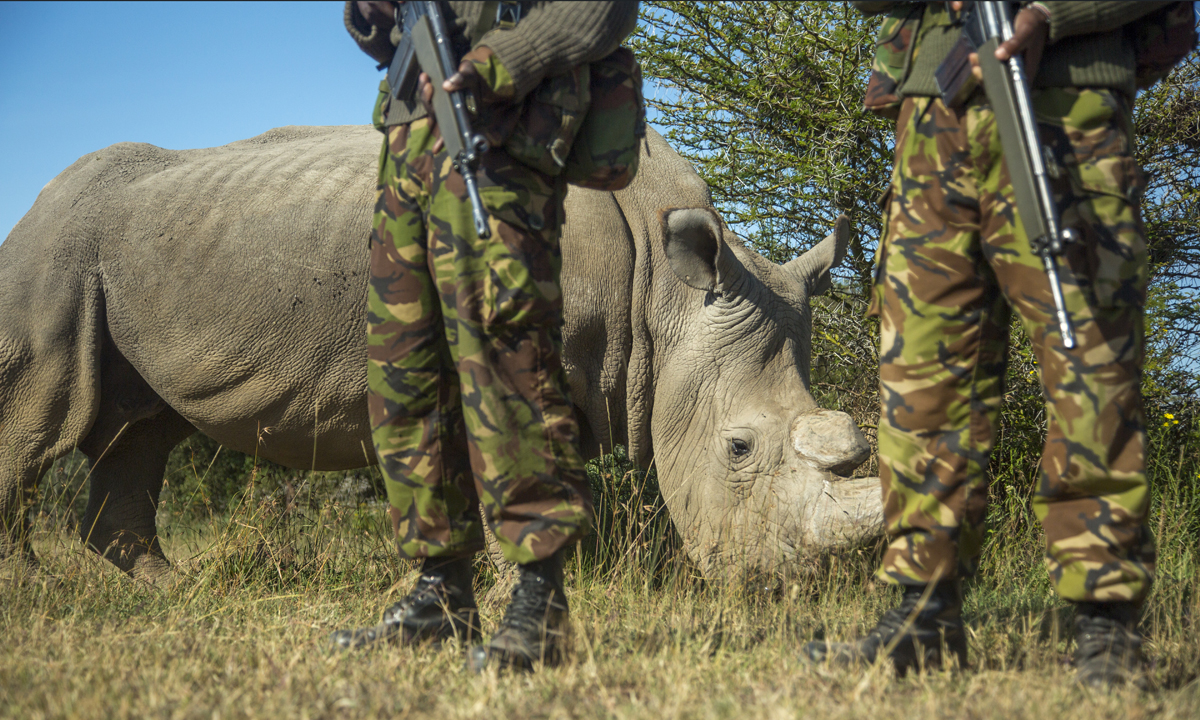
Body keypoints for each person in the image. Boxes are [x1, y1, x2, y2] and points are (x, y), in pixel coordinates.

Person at [802, 1, 1185, 690]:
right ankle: (922, 613)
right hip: (932, 114)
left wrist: (1051, 15)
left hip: (1070, 109)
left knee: (1089, 361)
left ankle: (1105, 623)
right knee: (921, 371)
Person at [332, 0, 639, 672]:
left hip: (496, 139)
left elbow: (605, 9)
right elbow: (377, 35)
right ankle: (440, 595)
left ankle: (540, 599)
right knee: (404, 374)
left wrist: (510, 57)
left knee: (508, 364)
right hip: (408, 144)